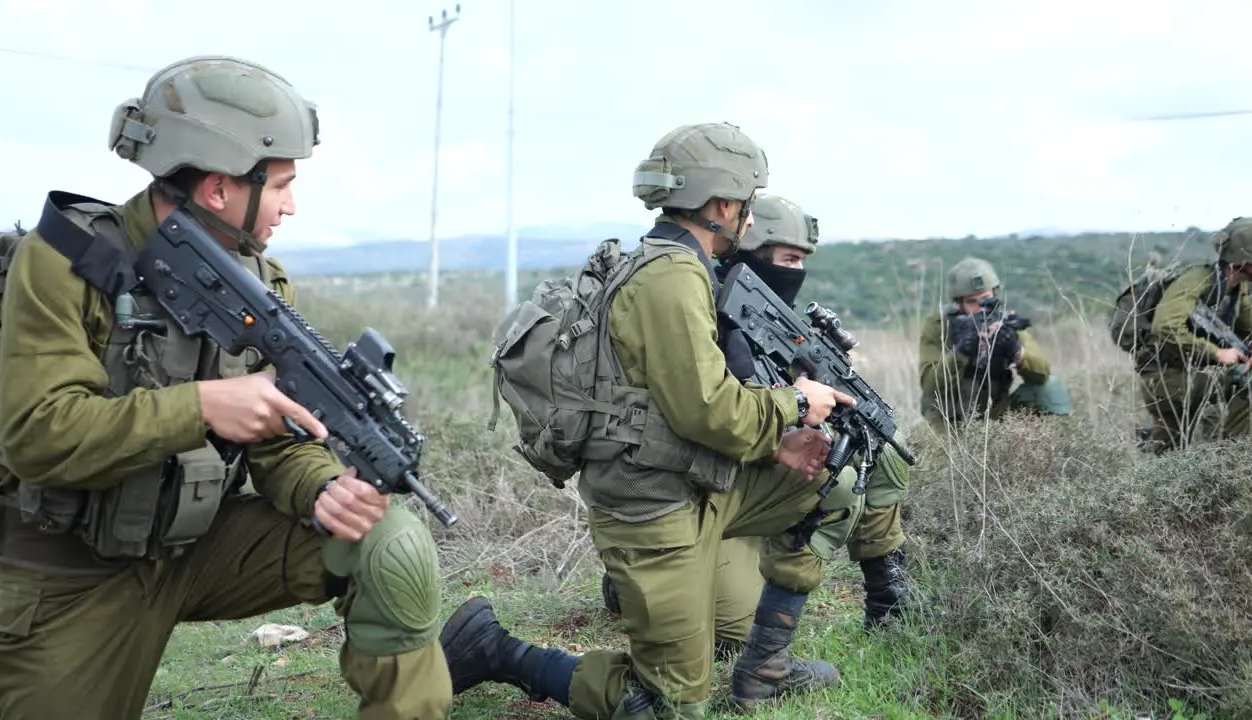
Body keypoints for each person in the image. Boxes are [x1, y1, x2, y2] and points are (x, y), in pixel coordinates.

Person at [0, 56, 450, 720]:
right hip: (73, 573)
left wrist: (322, 489)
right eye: (281, 184)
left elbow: (283, 444)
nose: (292, 204)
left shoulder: (262, 285)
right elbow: (38, 435)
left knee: (389, 544)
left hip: (198, 548)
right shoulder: (64, 262)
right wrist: (201, 407)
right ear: (220, 187)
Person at [440, 122, 860, 719]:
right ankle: (500, 652)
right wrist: (796, 404)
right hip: (653, 507)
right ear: (721, 204)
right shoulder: (672, 275)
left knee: (834, 482)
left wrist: (787, 434)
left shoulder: (681, 265)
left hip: (698, 485)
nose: (748, 217)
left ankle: (764, 669)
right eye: (745, 203)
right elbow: (711, 410)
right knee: (668, 708)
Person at [597, 193, 911, 649]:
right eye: (787, 258)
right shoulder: (696, 308)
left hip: (749, 486)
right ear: (751, 250)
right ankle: (634, 582)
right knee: (733, 637)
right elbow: (709, 416)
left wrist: (817, 404)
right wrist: (790, 411)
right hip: (696, 489)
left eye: (802, 261)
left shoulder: (770, 323)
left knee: (876, 443)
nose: (795, 273)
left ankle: (888, 597)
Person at [1135, 218, 1252, 453]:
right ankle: (1234, 459)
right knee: (1245, 383)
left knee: (1167, 454)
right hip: (1163, 379)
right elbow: (1165, 326)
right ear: (1245, 260)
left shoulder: (1237, 288)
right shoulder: (1198, 280)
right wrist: (1217, 353)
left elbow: (1247, 324)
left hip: (1186, 376)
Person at [918, 256, 1073, 428]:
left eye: (985, 300)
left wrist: (1016, 351)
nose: (980, 308)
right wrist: (961, 352)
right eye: (971, 302)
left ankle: (1051, 445)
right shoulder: (940, 325)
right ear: (958, 303)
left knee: (1050, 387)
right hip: (950, 419)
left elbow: (1042, 372)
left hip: (996, 414)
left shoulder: (1002, 322)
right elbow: (928, 385)